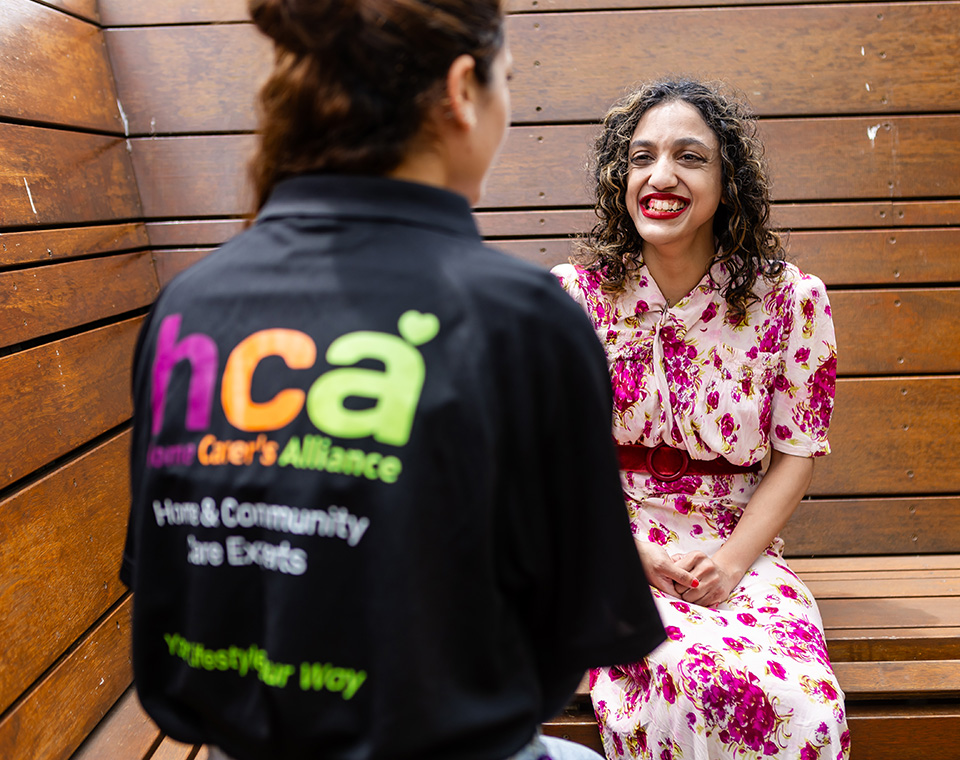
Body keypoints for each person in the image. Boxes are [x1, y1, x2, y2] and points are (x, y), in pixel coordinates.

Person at [120, 3, 666, 760]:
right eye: (506, 80)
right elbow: (565, 642)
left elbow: (162, 577)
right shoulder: (524, 320)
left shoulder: (187, 307)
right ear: (461, 90)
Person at [551, 78, 850, 759]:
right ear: (621, 178)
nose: (661, 176)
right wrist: (633, 553)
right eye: (642, 158)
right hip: (608, 541)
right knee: (690, 677)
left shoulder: (791, 300)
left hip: (736, 547)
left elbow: (795, 455)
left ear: (727, 180)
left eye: (689, 157)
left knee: (803, 702)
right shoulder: (573, 297)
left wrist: (729, 565)